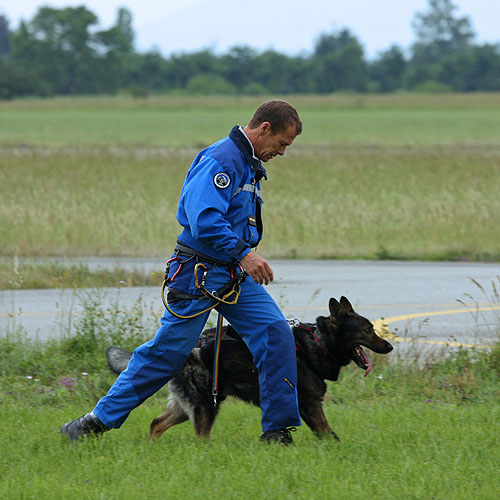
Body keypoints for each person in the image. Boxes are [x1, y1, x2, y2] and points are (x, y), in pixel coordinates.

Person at [60, 99, 303, 445]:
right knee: (166, 356)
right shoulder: (222, 160)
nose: (281, 153)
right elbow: (204, 220)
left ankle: (277, 433)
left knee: (275, 333)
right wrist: (245, 254)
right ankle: (93, 422)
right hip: (199, 274)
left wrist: (241, 257)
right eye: (281, 144)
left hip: (231, 275)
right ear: (264, 129)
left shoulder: (247, 164)